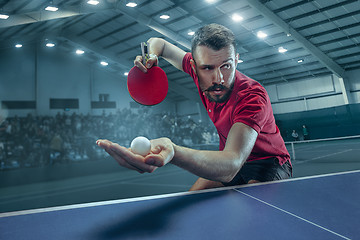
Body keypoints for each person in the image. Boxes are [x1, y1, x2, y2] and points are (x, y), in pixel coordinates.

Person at [97, 23, 291, 191]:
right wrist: (150, 56)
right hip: (229, 163)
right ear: (193, 65)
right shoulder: (196, 69)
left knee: (254, 214)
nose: (219, 79)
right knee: (190, 199)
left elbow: (232, 163)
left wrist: (173, 151)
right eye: (207, 68)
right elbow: (159, 43)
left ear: (237, 60)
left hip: (269, 164)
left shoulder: (252, 96)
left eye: (227, 65)